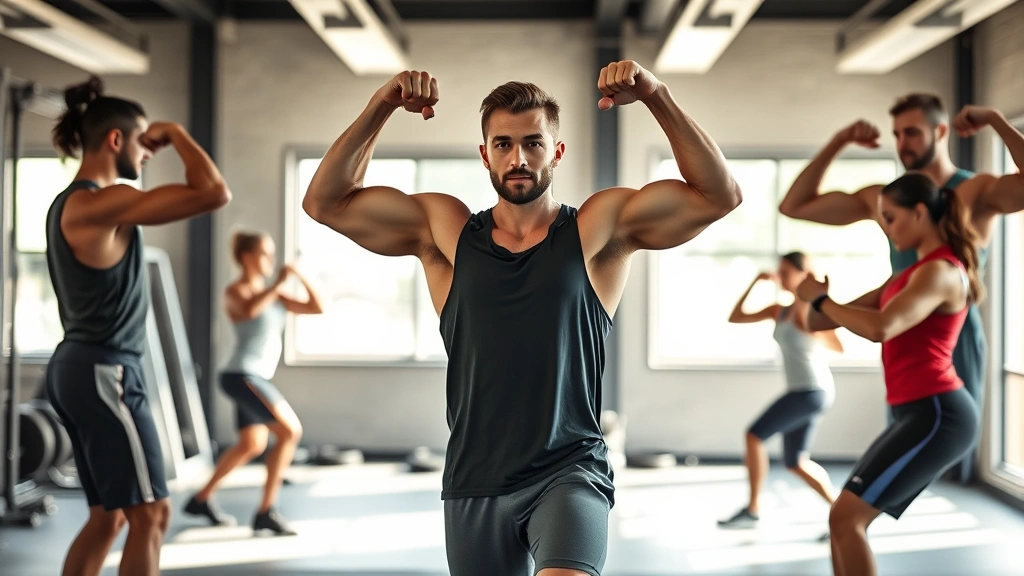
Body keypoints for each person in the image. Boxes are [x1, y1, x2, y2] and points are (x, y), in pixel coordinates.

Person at [302, 62, 741, 575]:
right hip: (474, 479)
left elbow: (719, 196)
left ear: (556, 152)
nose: (518, 158)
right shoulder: (445, 231)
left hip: (569, 469)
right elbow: (325, 202)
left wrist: (655, 94)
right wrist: (382, 104)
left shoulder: (597, 228)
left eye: (533, 143)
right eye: (504, 144)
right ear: (485, 154)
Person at [779, 95, 1024, 481]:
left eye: (911, 132)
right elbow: (794, 206)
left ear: (939, 132)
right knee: (904, 454)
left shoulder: (974, 190)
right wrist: (840, 140)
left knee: (937, 457)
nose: (902, 142)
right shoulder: (887, 198)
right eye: (896, 134)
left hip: (950, 331)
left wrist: (995, 119)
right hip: (897, 319)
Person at [44, 76, 231, 576]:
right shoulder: (96, 203)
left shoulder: (79, 204)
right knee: (152, 514)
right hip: (104, 370)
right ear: (115, 139)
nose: (149, 151)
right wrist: (177, 134)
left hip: (84, 367)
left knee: (108, 518)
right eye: (144, 141)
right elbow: (214, 192)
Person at [795, 172, 982, 576]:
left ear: (920, 213)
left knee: (848, 519)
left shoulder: (940, 271)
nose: (886, 227)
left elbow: (881, 327)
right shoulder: (907, 278)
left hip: (939, 414)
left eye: (891, 217)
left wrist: (822, 300)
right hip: (913, 412)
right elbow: (817, 323)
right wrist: (814, 300)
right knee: (842, 519)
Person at [183, 231, 323, 535]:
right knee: (290, 432)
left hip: (255, 377)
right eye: (264, 253)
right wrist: (278, 284)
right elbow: (248, 311)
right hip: (241, 375)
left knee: (252, 444)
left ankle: (201, 498)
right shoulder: (236, 291)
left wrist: (299, 275)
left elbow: (316, 307)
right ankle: (266, 511)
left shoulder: (276, 295)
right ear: (247, 257)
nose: (271, 260)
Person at [718, 252, 843, 530]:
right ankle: (842, 514)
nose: (781, 277)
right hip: (804, 391)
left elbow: (838, 346)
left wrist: (813, 316)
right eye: (780, 272)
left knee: (753, 435)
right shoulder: (780, 310)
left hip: (811, 391)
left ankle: (753, 510)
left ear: (803, 275)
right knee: (796, 462)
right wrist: (755, 281)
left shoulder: (809, 311)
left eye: (786, 273)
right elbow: (736, 317)